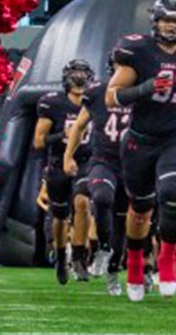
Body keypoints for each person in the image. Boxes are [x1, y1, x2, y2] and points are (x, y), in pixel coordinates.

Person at [107, 0, 176, 301]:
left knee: (173, 198)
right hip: (141, 140)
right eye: (167, 20)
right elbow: (111, 96)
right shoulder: (137, 50)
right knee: (140, 209)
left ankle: (167, 262)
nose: (172, 26)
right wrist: (144, 89)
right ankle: (134, 264)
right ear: (155, 21)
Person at [64, 54, 133, 296]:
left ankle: (113, 271)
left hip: (134, 164)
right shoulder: (97, 92)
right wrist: (67, 156)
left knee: (123, 221)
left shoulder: (143, 92)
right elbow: (79, 125)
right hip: (104, 160)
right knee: (101, 197)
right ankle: (102, 249)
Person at [35, 59, 94, 285]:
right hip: (59, 161)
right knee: (59, 217)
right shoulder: (52, 103)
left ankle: (79, 256)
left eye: (83, 75)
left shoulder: (96, 101)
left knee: (82, 203)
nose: (79, 79)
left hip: (86, 161)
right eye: (75, 75)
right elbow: (39, 142)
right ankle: (61, 256)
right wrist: (62, 135)